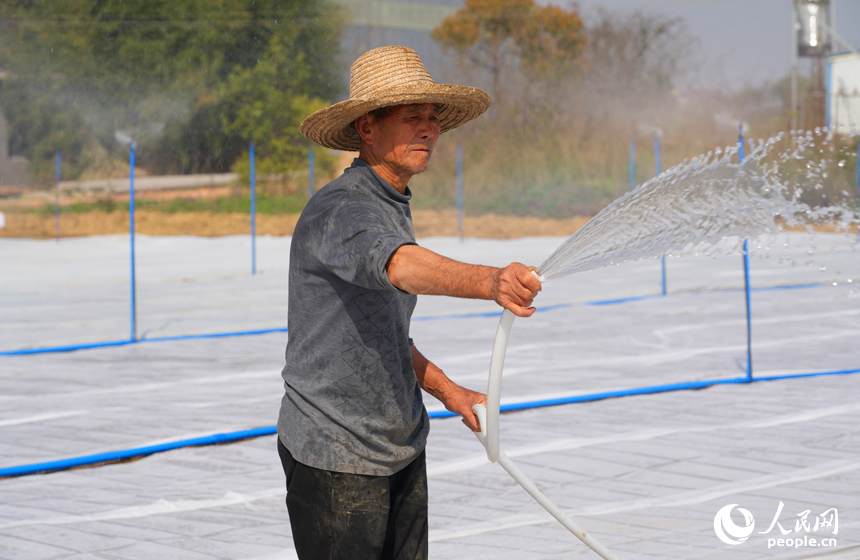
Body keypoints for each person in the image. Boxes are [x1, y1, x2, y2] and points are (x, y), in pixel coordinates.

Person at [277, 46, 542, 560]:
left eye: (433, 119)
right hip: (337, 458)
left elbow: (382, 334)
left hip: (398, 449)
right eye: (411, 117)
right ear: (367, 129)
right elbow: (399, 264)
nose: (427, 130)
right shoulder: (342, 208)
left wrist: (449, 392)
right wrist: (490, 281)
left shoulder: (390, 204)